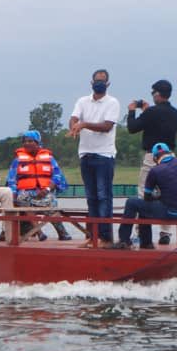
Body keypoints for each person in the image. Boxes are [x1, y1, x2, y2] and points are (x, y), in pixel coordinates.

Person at [113, 143, 177, 249]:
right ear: (169, 153)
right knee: (144, 208)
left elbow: (147, 197)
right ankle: (146, 243)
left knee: (132, 202)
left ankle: (124, 241)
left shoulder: (155, 171)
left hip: (171, 212)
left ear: (155, 158)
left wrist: (159, 196)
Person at [69, 68, 122, 245]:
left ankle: (105, 237)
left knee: (103, 196)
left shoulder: (112, 102)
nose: (99, 83)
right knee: (91, 197)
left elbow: (107, 126)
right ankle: (94, 236)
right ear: (91, 83)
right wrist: (74, 126)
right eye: (97, 80)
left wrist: (83, 124)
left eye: (103, 80)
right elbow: (74, 117)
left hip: (104, 155)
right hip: (86, 154)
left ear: (107, 84)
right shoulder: (82, 101)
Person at [126, 79, 177, 246]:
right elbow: (159, 122)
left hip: (153, 156)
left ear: (157, 94)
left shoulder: (151, 113)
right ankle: (165, 232)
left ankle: (140, 232)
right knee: (167, 193)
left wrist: (132, 112)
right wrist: (147, 110)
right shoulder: (174, 112)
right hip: (170, 156)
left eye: (153, 93)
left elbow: (132, 127)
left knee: (144, 193)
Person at [6, 130, 72, 241]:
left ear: (37, 143)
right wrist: (13, 193)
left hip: (45, 192)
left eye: (30, 141)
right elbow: (11, 180)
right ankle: (39, 232)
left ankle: (62, 233)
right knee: (22, 199)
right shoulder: (18, 160)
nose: (27, 143)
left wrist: (46, 189)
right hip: (25, 194)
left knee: (50, 202)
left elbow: (57, 177)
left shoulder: (50, 159)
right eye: (25, 141)